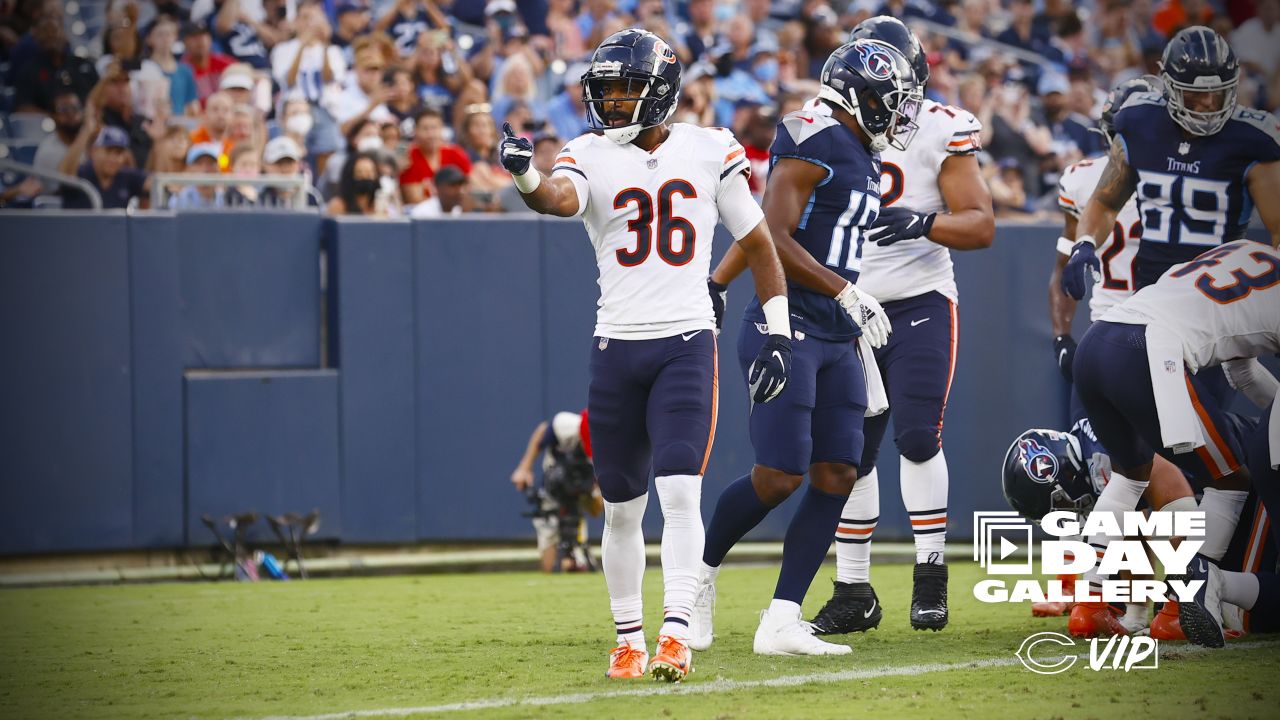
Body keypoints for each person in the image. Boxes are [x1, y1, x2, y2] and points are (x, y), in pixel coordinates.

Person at [498, 28, 791, 682]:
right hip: (617, 348)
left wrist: (778, 329)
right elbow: (560, 198)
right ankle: (629, 640)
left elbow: (759, 240)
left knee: (682, 494)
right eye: (606, 91)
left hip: (685, 341)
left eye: (628, 89)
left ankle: (676, 634)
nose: (616, 102)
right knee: (624, 506)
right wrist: (524, 174)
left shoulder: (710, 147)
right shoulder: (589, 152)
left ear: (660, 91)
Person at [692, 38, 920, 656]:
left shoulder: (862, 151)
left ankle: (782, 618)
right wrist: (844, 289)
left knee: (838, 470)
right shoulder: (814, 135)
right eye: (890, 101)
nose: (897, 114)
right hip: (786, 324)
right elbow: (772, 231)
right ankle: (697, 579)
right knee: (779, 476)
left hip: (837, 334)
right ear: (858, 94)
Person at [802, 18, 994, 637]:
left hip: (918, 300)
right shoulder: (825, 122)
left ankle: (930, 575)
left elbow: (980, 224)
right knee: (849, 451)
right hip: (851, 308)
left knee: (916, 435)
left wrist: (922, 224)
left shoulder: (939, 129)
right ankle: (853, 587)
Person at [1072, 239, 1280, 648]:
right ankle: (1180, 605)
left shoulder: (1244, 250)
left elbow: (1243, 373)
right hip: (1148, 349)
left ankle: (1090, 602)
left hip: (1098, 340)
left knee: (1131, 476)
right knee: (1231, 479)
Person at [1062, 26, 1280, 300]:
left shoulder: (1253, 139)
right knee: (1097, 344)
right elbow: (1105, 204)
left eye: (1218, 93)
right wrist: (1084, 243)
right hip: (1152, 295)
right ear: (1169, 86)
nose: (1208, 103)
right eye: (1195, 94)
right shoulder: (1139, 121)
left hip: (1219, 301)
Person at [510, 410, 602, 573]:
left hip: (580, 497)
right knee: (549, 547)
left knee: (577, 554)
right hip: (554, 489)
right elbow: (541, 433)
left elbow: (596, 509)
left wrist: (593, 496)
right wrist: (525, 468)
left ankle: (576, 559)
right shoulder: (565, 424)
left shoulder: (603, 450)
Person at [58, 125, 151, 209]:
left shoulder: (126, 176)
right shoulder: (83, 172)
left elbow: (156, 184)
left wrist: (159, 143)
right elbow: (64, 175)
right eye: (108, 151)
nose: (113, 158)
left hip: (114, 227)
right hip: (78, 227)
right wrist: (86, 132)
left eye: (118, 153)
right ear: (94, 151)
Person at [399, 107, 471, 204]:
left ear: (442, 130)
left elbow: (470, 189)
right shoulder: (409, 158)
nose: (431, 134)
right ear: (415, 131)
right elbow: (414, 200)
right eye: (425, 129)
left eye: (435, 128)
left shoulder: (456, 153)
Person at [327, 150, 384, 216]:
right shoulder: (338, 205)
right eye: (359, 173)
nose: (364, 177)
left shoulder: (380, 205)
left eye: (369, 174)